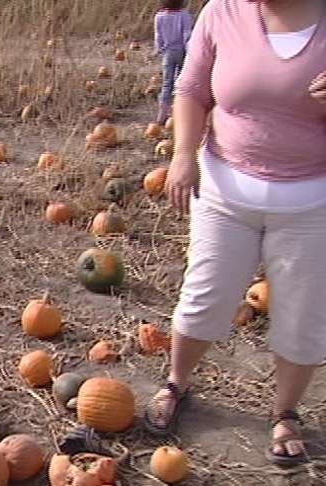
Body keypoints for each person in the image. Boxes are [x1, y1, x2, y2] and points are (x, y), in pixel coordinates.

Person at [145, 0, 326, 468]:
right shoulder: (221, 11)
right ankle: (177, 382)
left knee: (303, 315)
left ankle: (285, 412)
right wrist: (183, 154)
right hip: (224, 190)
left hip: (313, 201)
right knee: (205, 295)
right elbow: (190, 88)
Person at [153, 0, 193, 124]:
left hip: (168, 52)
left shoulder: (159, 16)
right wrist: (191, 52)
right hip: (181, 51)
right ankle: (179, 111)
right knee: (181, 81)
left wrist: (158, 49)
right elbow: (187, 35)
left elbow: (158, 35)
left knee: (167, 82)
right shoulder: (184, 15)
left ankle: (162, 114)